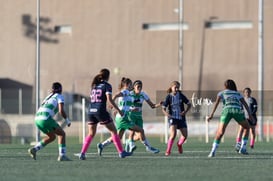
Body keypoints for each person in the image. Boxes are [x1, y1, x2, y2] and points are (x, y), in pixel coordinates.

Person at [78, 69, 131, 160]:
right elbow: (109, 100)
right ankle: (121, 152)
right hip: (100, 111)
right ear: (108, 76)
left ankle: (82, 153)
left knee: (91, 133)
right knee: (114, 131)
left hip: (91, 111)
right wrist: (118, 110)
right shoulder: (107, 86)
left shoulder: (94, 85)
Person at [96, 77, 156, 155]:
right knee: (141, 130)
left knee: (118, 137)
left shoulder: (128, 95)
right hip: (123, 118)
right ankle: (149, 147)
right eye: (131, 84)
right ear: (127, 85)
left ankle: (102, 145)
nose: (132, 87)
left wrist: (130, 109)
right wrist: (112, 103)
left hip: (121, 117)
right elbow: (116, 95)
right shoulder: (126, 91)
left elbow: (124, 105)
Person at [207, 79, 254, 157]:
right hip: (237, 110)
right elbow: (245, 104)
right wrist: (250, 115)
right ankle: (243, 148)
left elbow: (216, 103)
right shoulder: (238, 94)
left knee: (220, 132)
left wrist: (212, 114)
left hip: (227, 111)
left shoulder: (221, 93)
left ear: (226, 86)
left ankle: (213, 151)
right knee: (246, 127)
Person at [28, 82, 72, 161]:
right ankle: (62, 155)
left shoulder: (47, 97)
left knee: (52, 137)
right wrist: (67, 120)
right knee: (62, 134)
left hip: (37, 119)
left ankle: (34, 149)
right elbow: (61, 111)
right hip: (45, 119)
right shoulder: (59, 96)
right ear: (60, 89)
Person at [125, 80, 161, 154]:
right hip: (130, 115)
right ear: (134, 87)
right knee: (132, 131)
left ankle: (128, 141)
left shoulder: (143, 94)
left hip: (139, 117)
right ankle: (146, 147)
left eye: (141, 87)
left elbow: (152, 106)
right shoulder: (129, 94)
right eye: (138, 86)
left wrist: (159, 104)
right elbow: (125, 105)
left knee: (140, 136)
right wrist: (131, 109)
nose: (139, 88)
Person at [161, 81, 191, 156]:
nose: (177, 89)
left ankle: (179, 144)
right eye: (175, 87)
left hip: (181, 117)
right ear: (171, 88)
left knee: (185, 136)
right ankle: (168, 151)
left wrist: (185, 111)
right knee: (173, 134)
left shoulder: (181, 95)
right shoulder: (168, 97)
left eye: (178, 87)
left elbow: (189, 104)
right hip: (172, 117)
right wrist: (167, 114)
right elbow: (163, 108)